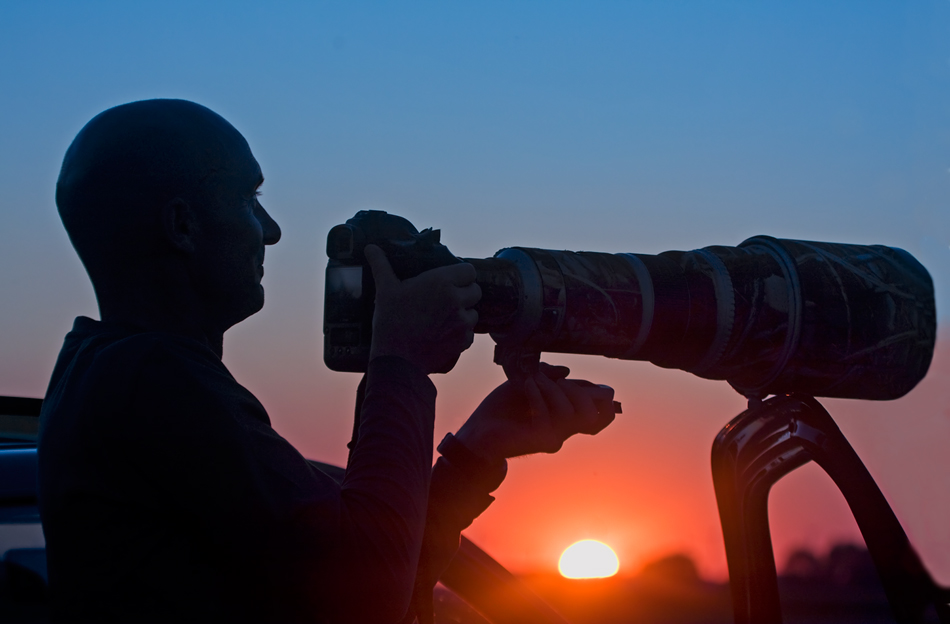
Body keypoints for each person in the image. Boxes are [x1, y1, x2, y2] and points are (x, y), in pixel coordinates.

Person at [38, 99, 617, 623]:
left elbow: (366, 566)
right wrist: (401, 362)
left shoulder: (107, 376)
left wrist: (477, 450)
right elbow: (366, 596)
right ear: (183, 225)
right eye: (249, 199)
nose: (272, 230)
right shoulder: (152, 380)